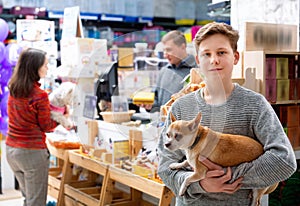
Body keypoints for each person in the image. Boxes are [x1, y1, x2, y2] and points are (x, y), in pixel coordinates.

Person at [157, 22, 297, 205]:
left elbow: (284, 161)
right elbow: (165, 167)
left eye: (221, 52)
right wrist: (202, 183)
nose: (214, 60)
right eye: (206, 54)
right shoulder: (181, 107)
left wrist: (229, 176)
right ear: (198, 60)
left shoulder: (255, 105)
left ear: (235, 57)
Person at [6, 48, 65, 206]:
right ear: (35, 68)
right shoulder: (40, 95)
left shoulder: (14, 89)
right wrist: (62, 117)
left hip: (12, 151)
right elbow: (46, 126)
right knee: (36, 202)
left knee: (29, 199)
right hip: (31, 153)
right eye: (45, 65)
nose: (47, 68)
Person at [138, 30, 197, 112]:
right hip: (163, 123)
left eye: (169, 50)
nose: (165, 55)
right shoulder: (164, 71)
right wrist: (149, 105)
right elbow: (157, 102)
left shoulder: (197, 71)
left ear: (183, 47)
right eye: (164, 51)